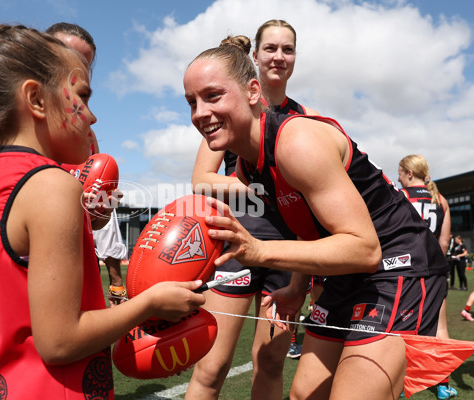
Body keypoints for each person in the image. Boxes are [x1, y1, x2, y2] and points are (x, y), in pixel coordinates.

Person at [0, 24, 205, 399]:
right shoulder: (51, 185)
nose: (92, 117)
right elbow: (60, 341)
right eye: (82, 96)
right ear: (36, 99)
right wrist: (151, 303)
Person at [183, 38, 448, 400]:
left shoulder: (296, 142)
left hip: (397, 265)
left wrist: (259, 251)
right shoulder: (248, 165)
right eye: (191, 102)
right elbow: (307, 228)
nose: (199, 112)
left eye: (213, 95)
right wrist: (296, 288)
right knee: (303, 395)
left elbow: (364, 249)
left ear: (252, 91)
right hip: (344, 274)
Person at [187, 20, 318, 400]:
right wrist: (264, 183)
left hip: (289, 255)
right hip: (234, 248)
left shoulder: (305, 118)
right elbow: (201, 180)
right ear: (255, 58)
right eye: (271, 48)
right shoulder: (229, 112)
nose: (279, 56)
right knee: (210, 368)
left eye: (287, 49)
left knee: (271, 363)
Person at [0, 22, 127, 300]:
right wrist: (38, 212)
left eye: (86, 63)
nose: (77, 66)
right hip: (14, 278)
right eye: (64, 53)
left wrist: (96, 212)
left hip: (67, 277)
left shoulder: (83, 135)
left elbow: (88, 223)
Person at [397, 154, 457, 399]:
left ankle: (398, 384)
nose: (398, 179)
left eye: (400, 173)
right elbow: (444, 242)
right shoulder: (440, 199)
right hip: (435, 272)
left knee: (401, 328)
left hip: (405, 272)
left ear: (409, 173)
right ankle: (443, 385)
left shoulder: (400, 196)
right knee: (440, 329)